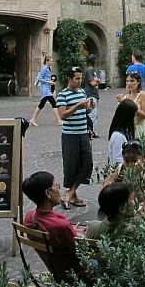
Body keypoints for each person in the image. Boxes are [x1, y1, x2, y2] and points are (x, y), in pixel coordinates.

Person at [21, 171, 83, 278]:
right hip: (71, 275)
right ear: (48, 193)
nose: (59, 190)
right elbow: (78, 249)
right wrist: (78, 234)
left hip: (53, 268)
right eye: (56, 186)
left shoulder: (29, 218)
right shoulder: (61, 226)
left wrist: (72, 231)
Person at [56, 67, 93, 209]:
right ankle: (73, 195)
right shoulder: (62, 95)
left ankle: (70, 193)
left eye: (80, 78)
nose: (79, 81)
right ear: (69, 79)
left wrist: (89, 108)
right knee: (71, 165)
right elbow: (63, 115)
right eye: (77, 79)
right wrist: (78, 106)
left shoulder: (82, 92)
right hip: (70, 135)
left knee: (87, 164)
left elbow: (85, 111)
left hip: (83, 133)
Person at [102, 140, 145, 208]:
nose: (130, 164)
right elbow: (105, 194)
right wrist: (110, 178)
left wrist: (137, 179)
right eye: (127, 160)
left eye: (134, 160)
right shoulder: (120, 169)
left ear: (143, 158)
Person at [115, 72, 145, 154]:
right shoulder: (125, 96)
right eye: (127, 81)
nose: (129, 83)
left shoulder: (143, 95)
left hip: (139, 129)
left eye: (132, 81)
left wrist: (130, 106)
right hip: (126, 129)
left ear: (138, 82)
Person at [107, 99, 137, 166]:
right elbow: (118, 160)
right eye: (134, 116)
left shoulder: (125, 132)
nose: (135, 119)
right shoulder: (118, 137)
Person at [85, 73, 101, 140]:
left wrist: (97, 80)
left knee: (95, 115)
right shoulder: (89, 70)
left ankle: (92, 132)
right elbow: (92, 83)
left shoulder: (93, 71)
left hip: (94, 96)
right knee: (92, 115)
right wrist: (97, 80)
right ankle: (90, 132)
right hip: (91, 96)